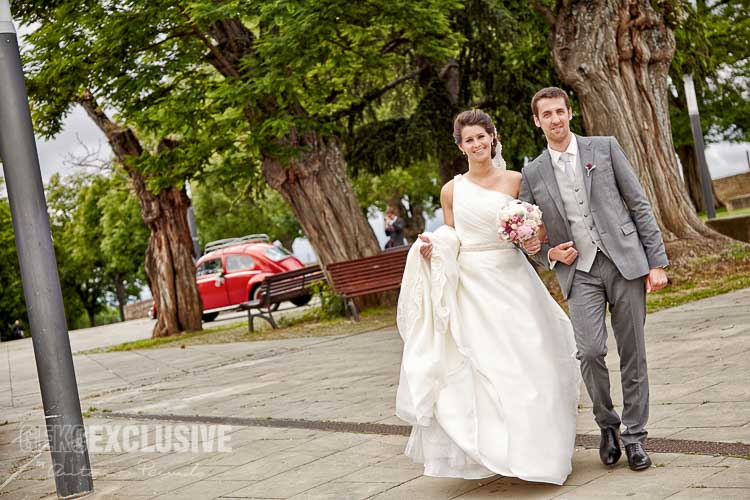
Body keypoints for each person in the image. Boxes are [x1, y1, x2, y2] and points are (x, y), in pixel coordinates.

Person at [395, 109, 581, 485]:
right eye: (469, 140)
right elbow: (451, 234)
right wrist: (435, 249)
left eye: (483, 136)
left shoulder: (516, 180)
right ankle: (492, 449)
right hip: (472, 285)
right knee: (483, 365)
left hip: (512, 280)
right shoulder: (451, 189)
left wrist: (532, 238)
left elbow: (538, 229)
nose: (477, 144)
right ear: (460, 146)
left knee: (529, 361)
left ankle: (539, 453)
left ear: (493, 138)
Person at [519, 87, 669, 471]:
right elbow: (526, 237)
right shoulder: (533, 172)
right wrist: (549, 254)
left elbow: (638, 203)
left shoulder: (604, 148)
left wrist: (656, 262)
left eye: (559, 111)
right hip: (579, 271)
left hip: (624, 263)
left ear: (570, 113)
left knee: (633, 352)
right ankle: (607, 424)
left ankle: (635, 437)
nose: (555, 119)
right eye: (546, 114)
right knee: (588, 351)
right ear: (537, 121)